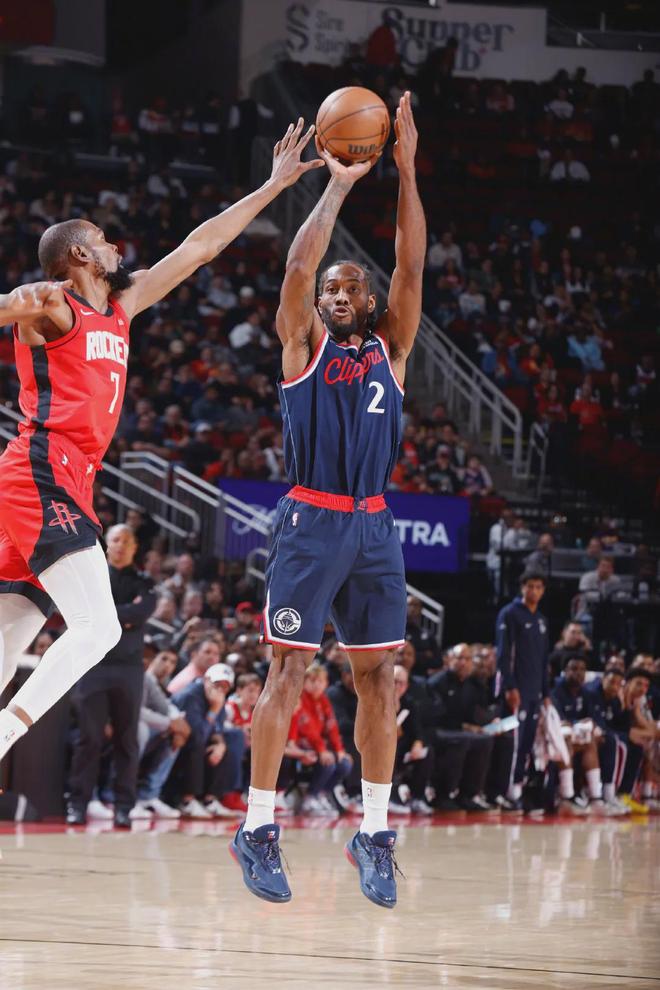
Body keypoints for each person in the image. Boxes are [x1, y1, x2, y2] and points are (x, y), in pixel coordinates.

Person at [0, 119, 322, 764]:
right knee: (97, 627)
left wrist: (272, 186)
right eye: (101, 239)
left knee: (7, 643)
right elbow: (11, 304)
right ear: (80, 256)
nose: (114, 244)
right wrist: (15, 300)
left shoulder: (121, 305)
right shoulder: (53, 306)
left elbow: (201, 246)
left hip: (68, 478)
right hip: (41, 469)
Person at [230, 93, 425, 909]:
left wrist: (405, 169)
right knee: (288, 670)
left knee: (381, 682)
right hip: (311, 518)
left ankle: (373, 833)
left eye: (353, 286)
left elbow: (410, 265)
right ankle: (257, 827)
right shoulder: (300, 344)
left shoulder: (393, 347)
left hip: (375, 524)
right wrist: (339, 186)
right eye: (331, 289)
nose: (338, 293)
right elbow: (298, 269)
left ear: (370, 303)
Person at [67, 524, 157, 827]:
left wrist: (107, 613)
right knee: (89, 739)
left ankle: (123, 807)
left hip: (129, 670)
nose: (121, 545)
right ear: (107, 543)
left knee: (127, 740)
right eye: (116, 539)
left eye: (127, 540)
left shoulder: (144, 582)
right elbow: (87, 611)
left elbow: (141, 612)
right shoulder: (92, 577)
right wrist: (124, 614)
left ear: (134, 547)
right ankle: (77, 804)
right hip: (93, 665)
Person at [495, 571, 551, 809]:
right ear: (522, 587)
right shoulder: (510, 613)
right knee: (514, 743)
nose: (534, 591)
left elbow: (544, 660)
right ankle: (507, 791)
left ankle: (518, 788)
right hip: (517, 690)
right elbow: (503, 654)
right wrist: (510, 686)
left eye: (538, 587)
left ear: (543, 590)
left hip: (535, 692)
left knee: (528, 742)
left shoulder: (542, 620)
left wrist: (546, 693)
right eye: (530, 586)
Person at [172, 662, 246, 818]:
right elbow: (196, 735)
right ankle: (187, 801)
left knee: (224, 746)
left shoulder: (218, 698)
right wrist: (214, 709)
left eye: (225, 687)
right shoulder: (191, 696)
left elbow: (217, 729)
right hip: (175, 744)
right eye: (217, 684)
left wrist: (220, 745)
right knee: (197, 746)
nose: (220, 690)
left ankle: (210, 800)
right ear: (206, 680)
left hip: (198, 739)